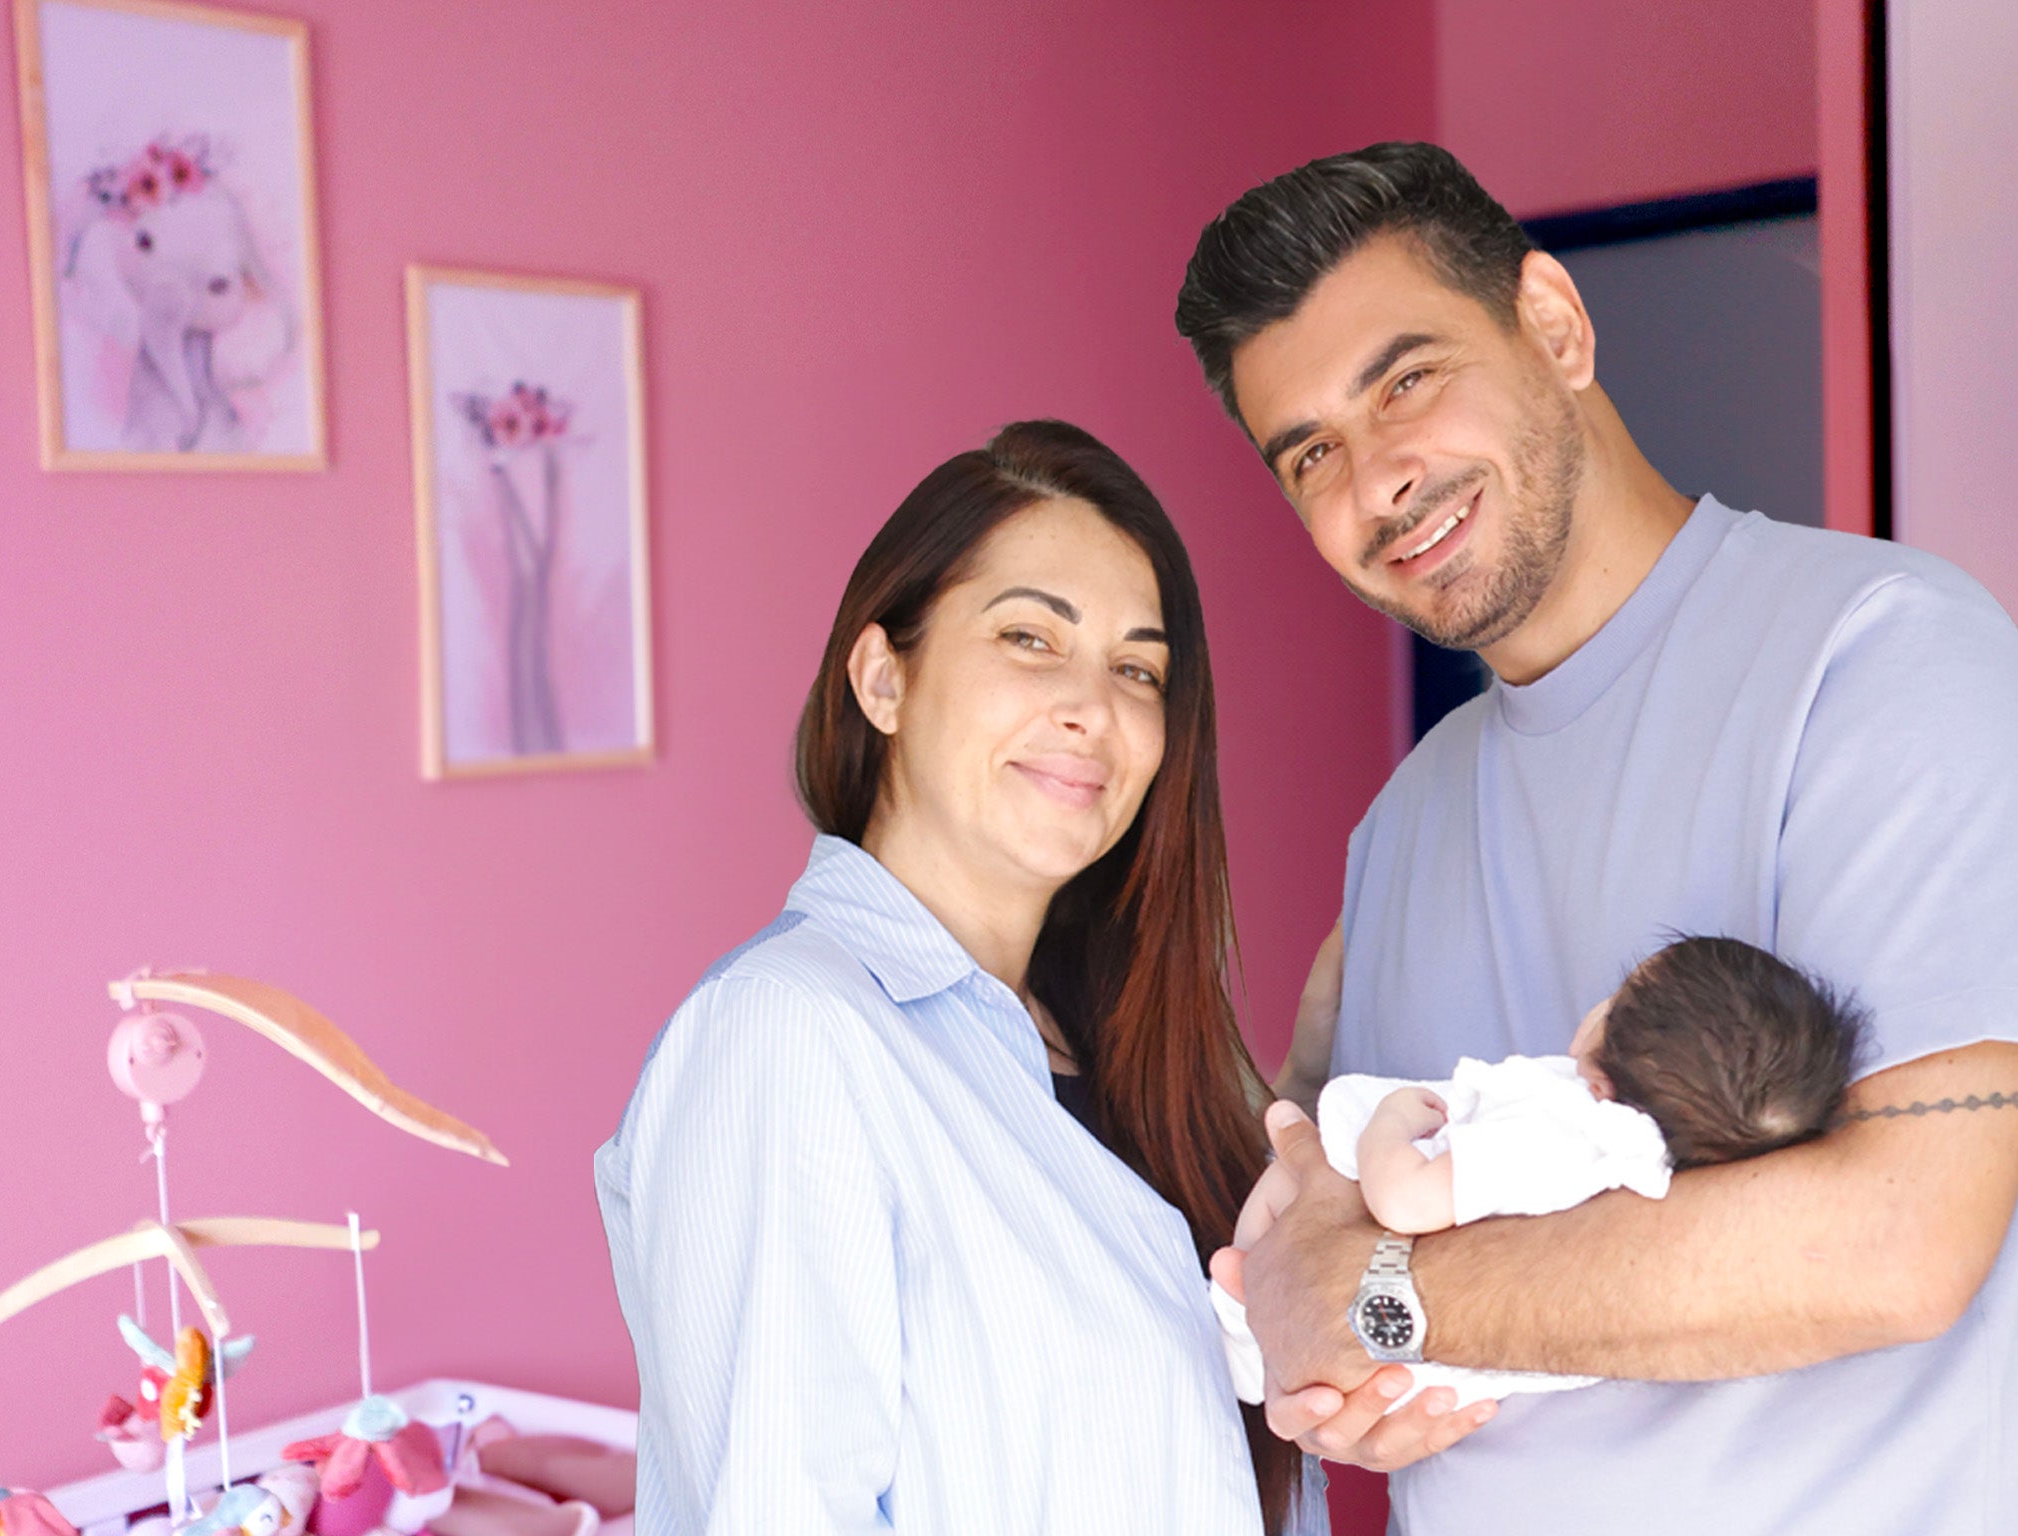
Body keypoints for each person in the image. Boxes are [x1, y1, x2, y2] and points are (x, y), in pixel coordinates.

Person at [1171, 140, 2018, 1532]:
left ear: (1555, 326)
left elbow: (1902, 1243)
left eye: (1408, 380)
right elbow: (1334, 1280)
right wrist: (1348, 1382)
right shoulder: (1399, 833)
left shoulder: (1881, 657)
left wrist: (1368, 1302)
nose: (1379, 477)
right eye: (1312, 451)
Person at [596, 421, 1322, 1533]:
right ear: (882, 677)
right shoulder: (787, 1034)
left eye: (1138, 668)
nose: (1095, 707)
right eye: (1030, 638)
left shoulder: (1145, 1058)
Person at [1214, 934, 1870, 1410]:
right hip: (1380, 1348)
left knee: (1286, 1191)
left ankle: (1234, 1316)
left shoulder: (1561, 1133)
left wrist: (1390, 1121)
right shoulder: (1647, 1168)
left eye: (1617, 999)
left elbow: (1406, 1202)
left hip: (1333, 1304)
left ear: (1601, 1077)